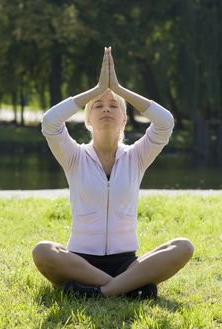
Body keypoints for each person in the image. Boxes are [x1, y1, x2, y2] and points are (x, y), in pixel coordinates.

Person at [32, 47, 194, 299]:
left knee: (183, 246)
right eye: (98, 105)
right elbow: (50, 122)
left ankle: (100, 292)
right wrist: (97, 89)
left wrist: (118, 89)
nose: (106, 108)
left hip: (127, 262)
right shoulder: (74, 157)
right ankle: (128, 287)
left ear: (124, 120)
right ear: (88, 119)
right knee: (42, 251)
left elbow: (165, 123)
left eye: (114, 106)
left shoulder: (136, 157)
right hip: (80, 262)